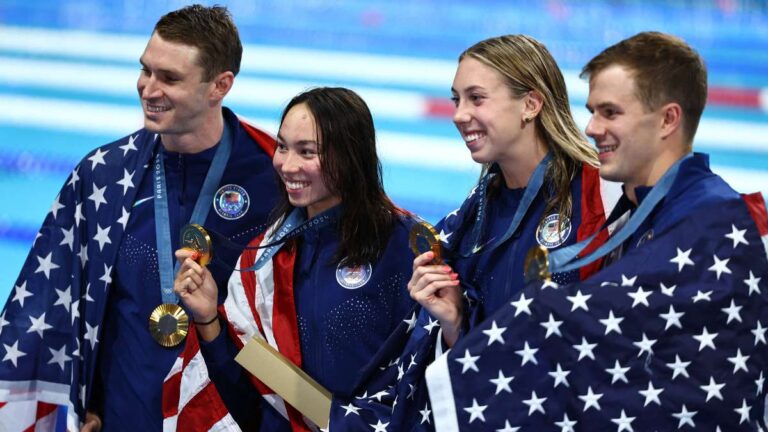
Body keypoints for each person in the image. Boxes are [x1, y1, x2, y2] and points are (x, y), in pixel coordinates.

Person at [425, 31, 768, 430]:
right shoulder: (476, 212)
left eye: (610, 112)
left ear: (668, 119)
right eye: (592, 111)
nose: (590, 126)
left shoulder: (705, 223)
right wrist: (455, 327)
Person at [0, 5, 278, 431]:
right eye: (145, 70)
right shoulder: (105, 175)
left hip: (229, 418)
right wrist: (81, 404)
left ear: (219, 86)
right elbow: (61, 308)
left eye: (169, 78)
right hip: (124, 417)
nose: (148, 88)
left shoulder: (273, 179)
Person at [328, 34, 619, 430]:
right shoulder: (466, 224)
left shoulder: (601, 200)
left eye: (476, 98)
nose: (459, 114)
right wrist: (453, 324)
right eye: (456, 99)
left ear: (531, 104)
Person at [166, 87, 417, 431]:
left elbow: (420, 383)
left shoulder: (403, 246)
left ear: (350, 156)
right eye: (283, 146)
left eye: (307, 152)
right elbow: (249, 399)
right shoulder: (266, 259)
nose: (288, 165)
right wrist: (209, 318)